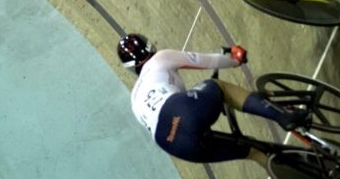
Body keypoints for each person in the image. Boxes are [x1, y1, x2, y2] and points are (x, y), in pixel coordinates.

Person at [118, 34, 309, 165]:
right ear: (151, 46)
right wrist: (235, 60)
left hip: (173, 144)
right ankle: (282, 116)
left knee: (251, 151)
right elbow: (204, 61)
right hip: (181, 111)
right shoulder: (159, 58)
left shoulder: (134, 100)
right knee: (218, 86)